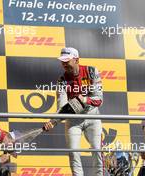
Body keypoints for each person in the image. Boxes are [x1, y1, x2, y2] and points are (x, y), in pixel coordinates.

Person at [44, 47, 104, 176]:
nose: (64, 64)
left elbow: (99, 100)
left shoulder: (91, 71)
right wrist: (53, 121)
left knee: (97, 150)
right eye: (62, 61)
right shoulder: (62, 80)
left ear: (76, 60)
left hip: (92, 117)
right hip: (73, 120)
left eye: (67, 61)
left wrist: (84, 99)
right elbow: (62, 106)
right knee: (73, 151)